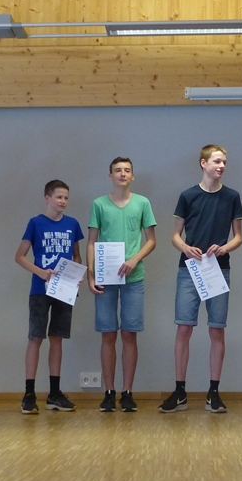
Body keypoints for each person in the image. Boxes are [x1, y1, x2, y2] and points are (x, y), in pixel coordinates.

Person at [158, 145, 242, 415]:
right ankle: (180, 392)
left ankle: (213, 392)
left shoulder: (232, 196)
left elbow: (238, 237)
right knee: (184, 328)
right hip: (190, 269)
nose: (221, 166)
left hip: (218, 269)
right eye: (217, 161)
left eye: (224, 162)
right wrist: (186, 248)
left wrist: (224, 248)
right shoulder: (188, 196)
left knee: (217, 330)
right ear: (203, 163)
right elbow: (175, 235)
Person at [87, 157, 157, 412]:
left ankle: (127, 392)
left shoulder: (142, 203)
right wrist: (91, 275)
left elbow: (151, 240)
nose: (123, 174)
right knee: (108, 334)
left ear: (132, 176)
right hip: (106, 278)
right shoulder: (99, 204)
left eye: (127, 170)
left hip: (133, 278)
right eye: (118, 170)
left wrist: (134, 259)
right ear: (110, 176)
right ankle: (109, 391)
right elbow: (92, 241)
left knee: (129, 334)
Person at [15, 180, 85, 415]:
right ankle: (29, 393)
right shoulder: (36, 223)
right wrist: (40, 272)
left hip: (64, 290)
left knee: (57, 338)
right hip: (40, 289)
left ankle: (54, 393)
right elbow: (20, 256)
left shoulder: (72, 224)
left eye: (66, 197)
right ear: (47, 198)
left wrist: (76, 274)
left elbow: (77, 256)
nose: (63, 201)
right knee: (36, 337)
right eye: (59, 197)